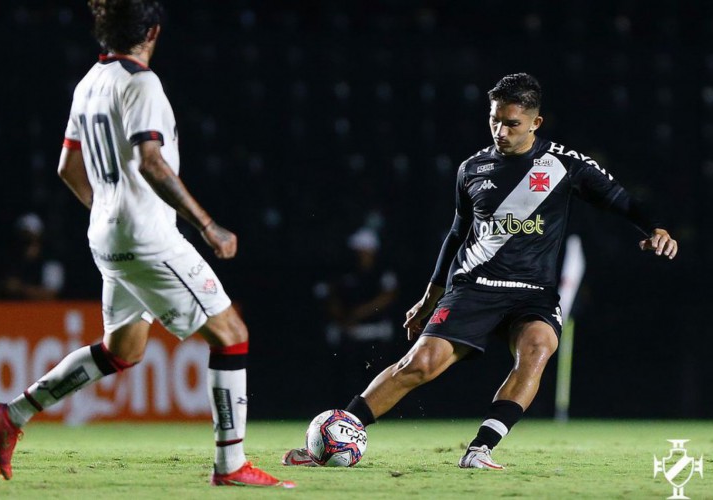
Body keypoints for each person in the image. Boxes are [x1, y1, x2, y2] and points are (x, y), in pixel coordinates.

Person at [283, 72, 678, 469]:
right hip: (474, 285)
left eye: (512, 124)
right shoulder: (472, 168)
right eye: (494, 120)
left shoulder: (564, 164)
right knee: (420, 364)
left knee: (539, 347)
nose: (500, 131)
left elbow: (621, 200)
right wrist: (428, 299)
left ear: (535, 123)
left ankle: (480, 449)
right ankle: (335, 436)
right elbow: (456, 236)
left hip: (533, 292)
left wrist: (655, 230)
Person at [0, 0, 294, 488]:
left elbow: (67, 168)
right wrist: (208, 225)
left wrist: (108, 211)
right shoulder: (141, 83)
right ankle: (231, 466)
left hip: (105, 235)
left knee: (122, 349)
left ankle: (12, 413)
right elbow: (151, 160)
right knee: (231, 333)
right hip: (147, 236)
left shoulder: (89, 82)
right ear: (152, 31)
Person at [319, 228, 398, 404]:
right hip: (348, 332)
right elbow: (331, 297)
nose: (359, 254)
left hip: (376, 333)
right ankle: (344, 411)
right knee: (345, 377)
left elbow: (387, 297)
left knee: (376, 375)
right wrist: (343, 318)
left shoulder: (382, 272)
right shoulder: (343, 271)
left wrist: (358, 314)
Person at [0, 213, 65, 300]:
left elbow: (50, 295)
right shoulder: (8, 260)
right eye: (23, 239)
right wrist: (4, 286)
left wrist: (20, 288)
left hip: (43, 312)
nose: (27, 244)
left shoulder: (51, 263)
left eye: (31, 239)